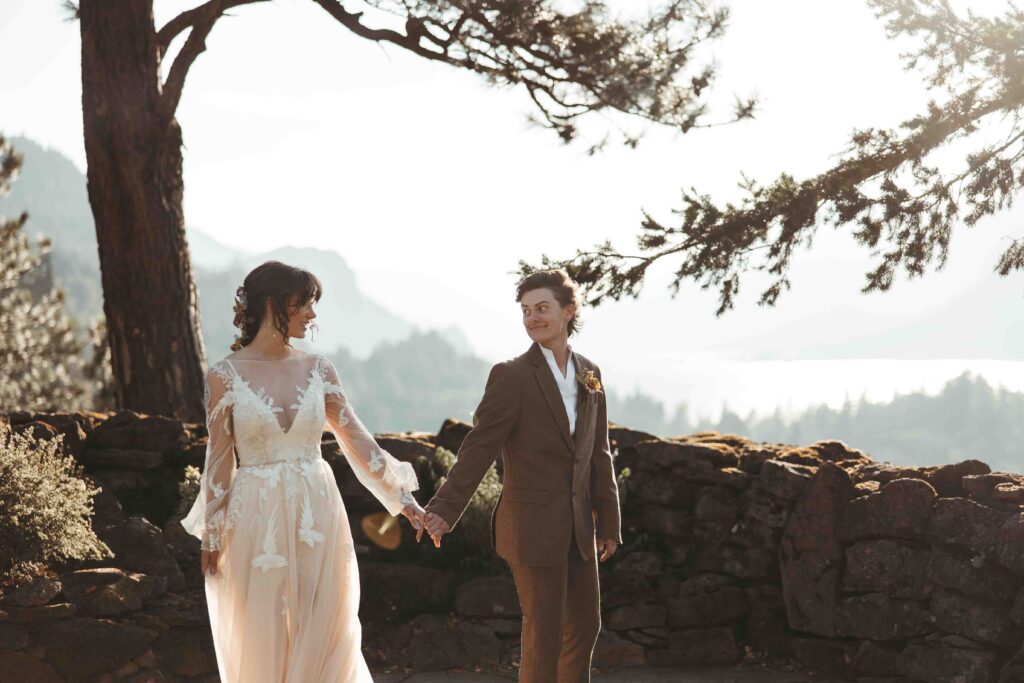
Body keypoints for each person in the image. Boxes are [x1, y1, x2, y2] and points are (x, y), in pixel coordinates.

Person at [181, 260, 426, 682]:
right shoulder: (224, 375)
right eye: (305, 304)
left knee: (326, 624)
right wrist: (213, 532)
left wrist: (404, 501)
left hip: (317, 510)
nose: (312, 315)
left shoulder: (319, 369)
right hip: (256, 517)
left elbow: (358, 441)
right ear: (274, 304)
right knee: (263, 629)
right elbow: (219, 461)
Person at [421, 268, 622, 683]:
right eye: (526, 311)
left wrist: (610, 522)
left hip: (580, 527)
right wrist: (444, 509)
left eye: (542, 308)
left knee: (586, 628)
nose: (532, 318)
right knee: (544, 634)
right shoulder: (510, 376)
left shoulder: (590, 374)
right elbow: (479, 447)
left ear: (568, 310)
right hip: (531, 525)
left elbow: (598, 451)